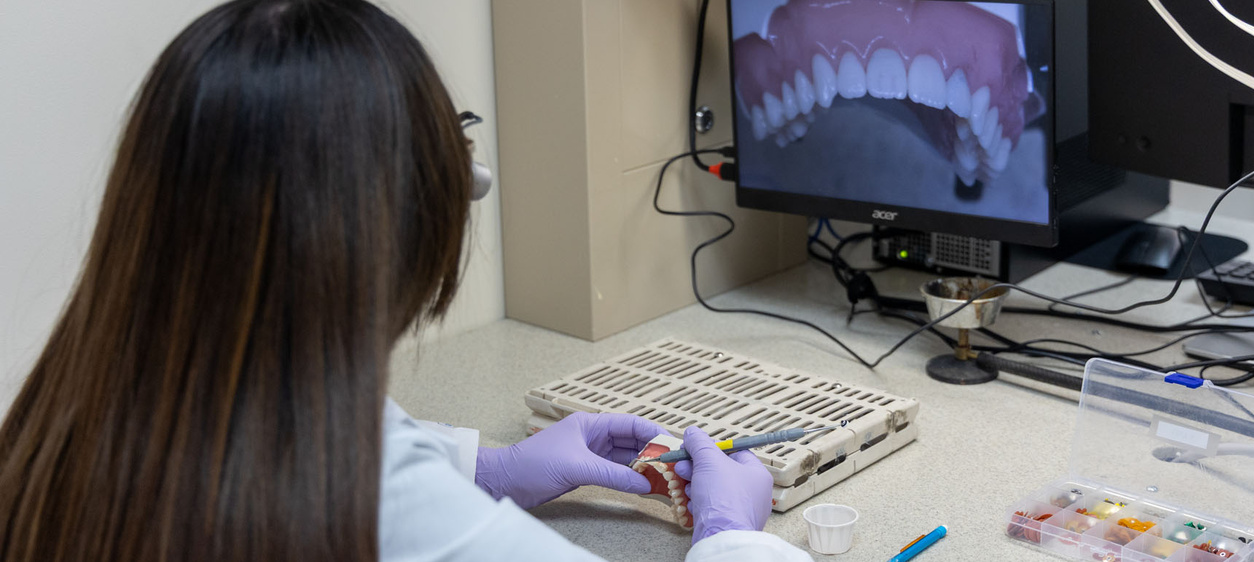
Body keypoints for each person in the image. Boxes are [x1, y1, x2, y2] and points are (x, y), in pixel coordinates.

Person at [0, 1, 812, 560]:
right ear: (407, 225)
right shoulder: (405, 526)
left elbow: (287, 412)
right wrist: (730, 534)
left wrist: (485, 467)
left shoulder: (61, 427)